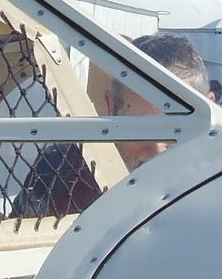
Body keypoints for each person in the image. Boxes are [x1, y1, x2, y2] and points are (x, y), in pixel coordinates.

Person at [13, 33, 208, 218]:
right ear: (110, 106)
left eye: (177, 129)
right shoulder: (59, 172)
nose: (156, 150)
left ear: (211, 113)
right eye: (138, 130)